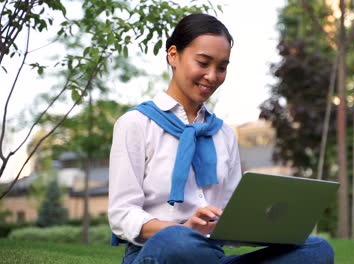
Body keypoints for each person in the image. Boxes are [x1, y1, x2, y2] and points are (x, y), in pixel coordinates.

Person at [108, 13, 334, 264]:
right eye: (203, 63)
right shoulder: (137, 123)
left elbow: (231, 221)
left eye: (222, 67)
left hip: (211, 255)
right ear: (173, 55)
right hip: (160, 252)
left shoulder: (223, 133)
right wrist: (185, 229)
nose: (213, 76)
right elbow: (122, 214)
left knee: (317, 249)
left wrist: (268, 226)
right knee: (178, 242)